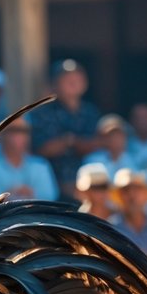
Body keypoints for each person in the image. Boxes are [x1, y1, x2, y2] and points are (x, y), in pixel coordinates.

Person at [30, 59, 100, 198]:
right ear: (55, 84)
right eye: (67, 78)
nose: (73, 82)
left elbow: (99, 144)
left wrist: (70, 142)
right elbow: (42, 149)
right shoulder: (42, 112)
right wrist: (74, 143)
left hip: (89, 189)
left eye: (77, 77)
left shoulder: (91, 112)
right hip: (53, 186)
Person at [0, 118, 58, 214]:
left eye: (25, 131)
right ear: (3, 134)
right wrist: (24, 195)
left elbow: (50, 201)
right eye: (15, 130)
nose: (21, 135)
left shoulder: (41, 165)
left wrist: (11, 196)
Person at [126, 102, 147, 169]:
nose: (143, 121)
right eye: (139, 117)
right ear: (132, 121)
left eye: (146, 117)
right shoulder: (124, 144)